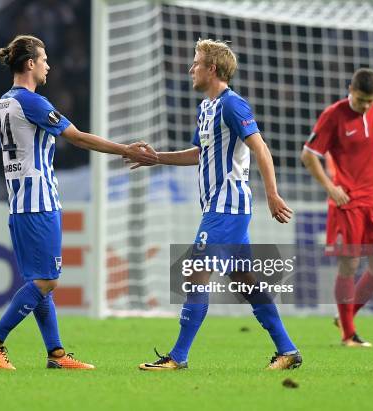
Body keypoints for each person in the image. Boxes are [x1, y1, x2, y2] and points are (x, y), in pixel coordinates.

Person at [0, 35, 158, 370]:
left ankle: (56, 355)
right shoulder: (32, 101)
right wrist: (126, 150)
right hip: (39, 202)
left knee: (41, 281)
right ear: (30, 63)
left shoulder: (3, 102)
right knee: (47, 281)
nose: (48, 65)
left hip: (19, 202)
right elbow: (76, 136)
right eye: (43, 59)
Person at [128, 39, 302, 370]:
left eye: (196, 63)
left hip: (228, 203)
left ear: (212, 68)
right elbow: (200, 154)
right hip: (216, 206)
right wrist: (157, 158)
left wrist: (272, 193)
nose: (190, 68)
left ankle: (178, 357)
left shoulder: (232, 105)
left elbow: (261, 149)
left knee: (194, 273)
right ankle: (288, 350)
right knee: (244, 282)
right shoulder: (206, 108)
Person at [300, 68, 373, 347]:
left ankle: (345, 315)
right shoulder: (333, 115)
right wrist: (331, 188)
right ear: (350, 89)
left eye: (370, 101)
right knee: (350, 265)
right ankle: (349, 334)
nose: (365, 106)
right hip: (346, 202)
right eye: (360, 100)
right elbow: (308, 155)